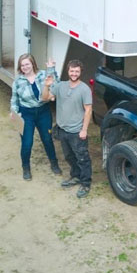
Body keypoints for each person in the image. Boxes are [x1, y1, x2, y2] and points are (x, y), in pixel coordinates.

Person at [42, 59, 92, 198]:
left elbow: (88, 110)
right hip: (62, 130)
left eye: (77, 71)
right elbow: (45, 98)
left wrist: (84, 130)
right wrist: (46, 86)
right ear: (68, 71)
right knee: (69, 157)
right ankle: (75, 176)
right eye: (72, 71)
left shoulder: (84, 89)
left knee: (82, 158)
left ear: (80, 72)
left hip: (77, 132)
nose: (74, 73)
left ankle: (85, 183)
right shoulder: (61, 86)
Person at [9, 53, 62, 180]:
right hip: (26, 113)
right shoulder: (17, 82)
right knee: (27, 143)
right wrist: (14, 112)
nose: (25, 67)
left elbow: (56, 85)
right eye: (22, 65)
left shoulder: (43, 74)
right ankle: (26, 167)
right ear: (20, 67)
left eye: (27, 64)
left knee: (47, 139)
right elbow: (14, 100)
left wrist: (51, 69)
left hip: (43, 111)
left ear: (33, 63)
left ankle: (54, 163)